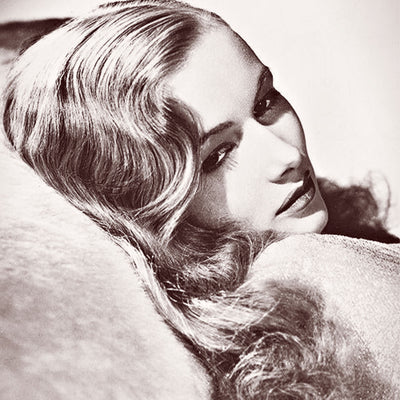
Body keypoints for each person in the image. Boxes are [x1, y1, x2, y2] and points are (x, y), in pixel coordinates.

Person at [2, 1, 399, 398]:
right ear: (146, 207)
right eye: (217, 156)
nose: (287, 157)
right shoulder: (316, 292)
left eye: (264, 103)